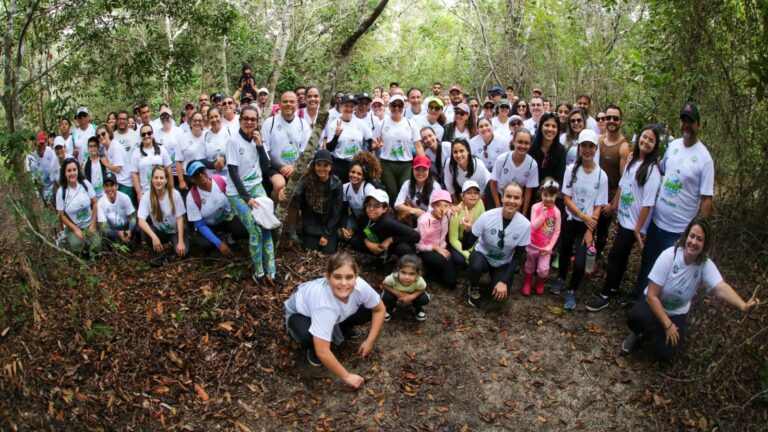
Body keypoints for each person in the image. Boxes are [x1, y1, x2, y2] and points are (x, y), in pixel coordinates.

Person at [621, 218, 760, 361]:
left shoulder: (704, 264)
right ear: (686, 236)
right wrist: (668, 325)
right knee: (636, 318)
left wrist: (743, 305)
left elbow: (720, 288)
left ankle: (656, 332)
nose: (694, 242)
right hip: (654, 304)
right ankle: (637, 332)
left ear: (705, 244)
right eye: (692, 236)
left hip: (676, 312)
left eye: (699, 239)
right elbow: (651, 296)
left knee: (665, 354)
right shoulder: (670, 255)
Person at [622, 103, 714, 306]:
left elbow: (707, 199)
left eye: (691, 121)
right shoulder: (674, 146)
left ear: (698, 124)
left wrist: (699, 231)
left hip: (679, 229)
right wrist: (636, 157)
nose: (686, 125)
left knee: (667, 270)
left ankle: (657, 309)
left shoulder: (704, 159)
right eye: (684, 120)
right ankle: (639, 298)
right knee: (647, 261)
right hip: (657, 222)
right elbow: (659, 167)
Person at [587, 125, 662, 312]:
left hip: (634, 223)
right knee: (621, 256)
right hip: (623, 217)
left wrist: (637, 228)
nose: (646, 142)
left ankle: (604, 294)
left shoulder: (652, 171)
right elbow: (622, 185)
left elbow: (648, 204)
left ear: (656, 145)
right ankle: (613, 288)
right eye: (644, 137)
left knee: (615, 256)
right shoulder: (633, 160)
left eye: (651, 140)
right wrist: (613, 205)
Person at [284, 252, 385, 387]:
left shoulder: (361, 287)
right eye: (337, 277)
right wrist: (347, 376)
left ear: (356, 277)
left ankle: (343, 328)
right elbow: (323, 351)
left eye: (349, 277)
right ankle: (312, 350)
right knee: (309, 336)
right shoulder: (323, 305)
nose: (344, 283)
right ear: (328, 277)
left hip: (333, 314)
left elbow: (379, 309)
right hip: (301, 314)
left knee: (368, 310)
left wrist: (370, 341)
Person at [550, 130, 609, 310]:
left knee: (581, 262)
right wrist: (581, 215)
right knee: (565, 249)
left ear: (595, 148)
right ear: (579, 148)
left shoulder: (601, 176)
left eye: (591, 146)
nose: (587, 150)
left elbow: (599, 205)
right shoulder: (571, 170)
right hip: (571, 218)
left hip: (587, 225)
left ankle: (572, 290)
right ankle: (561, 278)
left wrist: (590, 229)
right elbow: (566, 198)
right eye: (584, 145)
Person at [225, 106, 279, 284]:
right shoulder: (233, 140)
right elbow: (233, 173)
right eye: (246, 119)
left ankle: (271, 270)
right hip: (237, 192)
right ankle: (259, 272)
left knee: (266, 225)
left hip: (257, 186)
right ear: (240, 120)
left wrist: (260, 145)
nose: (249, 122)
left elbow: (265, 167)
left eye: (253, 119)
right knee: (255, 229)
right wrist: (247, 198)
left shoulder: (256, 139)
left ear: (257, 121)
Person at [467, 182, 531, 307]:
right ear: (502, 197)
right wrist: (467, 231)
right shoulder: (487, 216)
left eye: (516, 198)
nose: (511, 201)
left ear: (522, 201)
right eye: (508, 196)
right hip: (483, 255)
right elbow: (466, 246)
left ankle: (496, 279)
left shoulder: (525, 225)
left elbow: (517, 257)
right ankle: (473, 287)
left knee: (499, 299)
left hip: (503, 262)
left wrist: (504, 281)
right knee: (476, 266)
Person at [184, 162, 246, 258]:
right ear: (191, 179)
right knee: (206, 245)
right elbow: (199, 224)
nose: (200, 174)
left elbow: (237, 197)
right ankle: (216, 245)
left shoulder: (220, 180)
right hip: (209, 225)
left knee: (245, 229)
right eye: (196, 174)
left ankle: (229, 240)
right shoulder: (191, 198)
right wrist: (219, 244)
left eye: (201, 170)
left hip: (227, 218)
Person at [261, 91, 312, 204]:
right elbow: (265, 150)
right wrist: (280, 168)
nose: (288, 104)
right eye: (285, 101)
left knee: (294, 196)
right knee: (280, 185)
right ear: (280, 104)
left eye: (292, 102)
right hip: (274, 167)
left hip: (297, 167)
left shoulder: (303, 125)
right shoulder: (270, 123)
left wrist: (295, 167)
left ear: (297, 105)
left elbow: (307, 152)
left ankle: (291, 220)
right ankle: (275, 214)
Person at [595, 105, 631, 258]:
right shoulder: (599, 140)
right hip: (594, 193)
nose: (611, 121)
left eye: (615, 118)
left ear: (620, 122)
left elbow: (625, 180)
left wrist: (613, 205)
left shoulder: (623, 148)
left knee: (602, 232)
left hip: (608, 198)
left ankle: (595, 257)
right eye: (608, 117)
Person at [373, 95, 424, 202]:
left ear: (403, 107)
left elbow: (418, 146)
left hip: (406, 164)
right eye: (394, 105)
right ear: (389, 106)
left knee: (405, 192)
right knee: (391, 192)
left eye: (399, 105)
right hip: (387, 163)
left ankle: (403, 216)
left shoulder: (411, 123)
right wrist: (376, 146)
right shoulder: (381, 124)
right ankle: (392, 216)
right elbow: (373, 144)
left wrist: (423, 163)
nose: (396, 108)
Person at [292, 150, 343, 254]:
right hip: (311, 223)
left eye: (325, 165)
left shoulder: (336, 184)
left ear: (330, 166)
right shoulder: (307, 179)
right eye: (318, 165)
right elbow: (296, 194)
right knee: (311, 250)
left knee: (329, 251)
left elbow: (337, 211)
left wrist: (326, 234)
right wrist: (284, 193)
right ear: (314, 166)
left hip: (328, 222)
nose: (322, 168)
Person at [137, 165, 188, 266]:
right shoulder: (147, 196)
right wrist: (154, 236)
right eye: (156, 178)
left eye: (161, 178)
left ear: (166, 180)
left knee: (182, 253)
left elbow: (180, 218)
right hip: (160, 232)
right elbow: (141, 220)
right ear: (152, 179)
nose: (158, 181)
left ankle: (173, 246)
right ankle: (159, 253)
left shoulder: (175, 194)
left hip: (175, 231)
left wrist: (181, 241)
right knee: (145, 229)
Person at [349, 189, 420, 259]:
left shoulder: (388, 221)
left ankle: (402, 263)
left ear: (384, 209)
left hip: (395, 244)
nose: (371, 209)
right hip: (379, 243)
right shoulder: (365, 216)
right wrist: (367, 243)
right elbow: (361, 230)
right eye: (369, 205)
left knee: (403, 248)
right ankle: (378, 255)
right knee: (355, 241)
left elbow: (416, 236)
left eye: (377, 206)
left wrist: (391, 240)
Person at [523, 178, 562, 296]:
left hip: (545, 248)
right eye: (545, 195)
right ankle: (528, 281)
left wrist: (550, 247)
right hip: (533, 244)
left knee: (543, 269)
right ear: (541, 193)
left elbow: (557, 231)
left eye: (552, 195)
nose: (548, 198)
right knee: (530, 264)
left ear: (556, 195)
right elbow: (533, 226)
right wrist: (543, 216)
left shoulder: (557, 212)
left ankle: (540, 282)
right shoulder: (535, 207)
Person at [55, 158, 101, 253]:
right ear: (64, 173)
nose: (72, 173)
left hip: (89, 224)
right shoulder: (61, 192)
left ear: (78, 171)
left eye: (74, 170)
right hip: (74, 227)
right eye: (69, 170)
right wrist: (75, 229)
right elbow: (61, 215)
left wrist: (93, 224)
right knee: (78, 246)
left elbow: (95, 202)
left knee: (97, 246)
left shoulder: (85, 184)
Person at [323, 94, 372, 182]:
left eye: (351, 106)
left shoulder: (360, 123)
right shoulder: (334, 124)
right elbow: (329, 148)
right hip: (339, 164)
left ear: (355, 108)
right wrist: (336, 136)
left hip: (356, 164)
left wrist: (366, 155)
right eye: (346, 106)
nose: (349, 109)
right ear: (341, 106)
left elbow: (369, 140)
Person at [489, 128, 538, 214]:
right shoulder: (502, 159)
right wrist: (498, 206)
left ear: (530, 145)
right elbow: (493, 183)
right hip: (498, 195)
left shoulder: (532, 165)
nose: (523, 146)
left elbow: (528, 191)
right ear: (513, 142)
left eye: (526, 143)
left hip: (516, 199)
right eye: (520, 142)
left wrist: (523, 213)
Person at [414, 189, 457, 289]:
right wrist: (435, 248)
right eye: (438, 206)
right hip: (426, 250)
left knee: (451, 283)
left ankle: (437, 272)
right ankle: (427, 269)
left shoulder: (448, 213)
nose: (442, 209)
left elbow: (458, 211)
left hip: (442, 247)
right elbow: (418, 245)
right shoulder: (424, 220)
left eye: (446, 206)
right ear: (432, 206)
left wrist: (456, 209)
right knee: (441, 261)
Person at [394, 155, 442, 227]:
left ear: (429, 170)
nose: (420, 173)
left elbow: (432, 212)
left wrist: (414, 211)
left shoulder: (435, 187)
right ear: (413, 169)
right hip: (412, 219)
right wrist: (413, 210)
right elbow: (397, 204)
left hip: (429, 223)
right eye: (417, 169)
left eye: (424, 169)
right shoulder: (407, 184)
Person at [130, 124, 174, 202]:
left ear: (153, 134)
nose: (146, 136)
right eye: (143, 134)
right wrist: (139, 193)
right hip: (145, 192)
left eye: (149, 133)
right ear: (140, 136)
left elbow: (168, 168)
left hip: (162, 189)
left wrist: (171, 188)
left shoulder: (161, 149)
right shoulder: (136, 153)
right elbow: (135, 174)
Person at [381, 254, 430, 321]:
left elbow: (423, 288)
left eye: (412, 274)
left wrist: (412, 296)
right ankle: (390, 308)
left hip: (412, 294)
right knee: (385, 296)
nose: (406, 277)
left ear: (418, 274)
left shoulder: (419, 281)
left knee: (424, 298)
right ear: (398, 270)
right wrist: (397, 293)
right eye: (403, 272)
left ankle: (417, 308)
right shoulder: (392, 278)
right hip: (395, 294)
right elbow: (384, 285)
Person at [447, 180, 485, 266]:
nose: (473, 195)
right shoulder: (456, 212)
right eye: (469, 193)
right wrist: (467, 254)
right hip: (462, 241)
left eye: (476, 193)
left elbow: (483, 224)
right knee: (460, 259)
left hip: (476, 239)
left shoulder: (480, 202)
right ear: (462, 196)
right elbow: (453, 239)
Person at [444, 138, 490, 202]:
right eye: (455, 152)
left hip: (485, 191)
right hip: (465, 192)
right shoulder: (449, 163)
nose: (458, 155)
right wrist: (456, 202)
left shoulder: (479, 166)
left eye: (461, 151)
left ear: (468, 151)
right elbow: (448, 183)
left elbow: (482, 189)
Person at [341, 161, 377, 242]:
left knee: (371, 238)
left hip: (370, 221)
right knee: (341, 234)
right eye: (352, 172)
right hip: (356, 218)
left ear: (364, 177)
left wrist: (354, 230)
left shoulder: (368, 188)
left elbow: (373, 215)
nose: (354, 175)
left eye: (359, 174)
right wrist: (343, 228)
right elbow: (344, 211)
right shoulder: (345, 188)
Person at [97, 172, 137, 246]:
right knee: (102, 236)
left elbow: (133, 218)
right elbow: (104, 227)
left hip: (127, 229)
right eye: (106, 186)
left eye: (112, 185)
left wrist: (129, 231)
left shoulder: (125, 198)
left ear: (117, 186)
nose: (109, 188)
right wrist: (117, 233)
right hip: (113, 232)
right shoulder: (100, 203)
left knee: (138, 228)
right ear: (103, 188)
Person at [176, 111, 206, 196]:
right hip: (189, 177)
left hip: (205, 176)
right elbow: (178, 161)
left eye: (200, 121)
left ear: (203, 122)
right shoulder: (182, 138)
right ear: (190, 122)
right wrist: (181, 181)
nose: (197, 123)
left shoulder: (207, 135)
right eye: (194, 120)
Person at [200, 107, 231, 180]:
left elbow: (236, 153)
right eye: (211, 117)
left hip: (229, 176)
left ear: (221, 116)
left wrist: (225, 159)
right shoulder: (204, 136)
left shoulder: (230, 131)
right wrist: (213, 165)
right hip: (212, 179)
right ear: (208, 119)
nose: (214, 120)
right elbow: (201, 159)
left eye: (216, 116)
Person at [27, 131, 56, 206]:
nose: (40, 146)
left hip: (52, 185)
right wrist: (42, 198)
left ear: (46, 143)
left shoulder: (50, 151)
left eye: (42, 144)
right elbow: (36, 180)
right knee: (45, 207)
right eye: (38, 144)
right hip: (40, 187)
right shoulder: (31, 157)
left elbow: (55, 168)